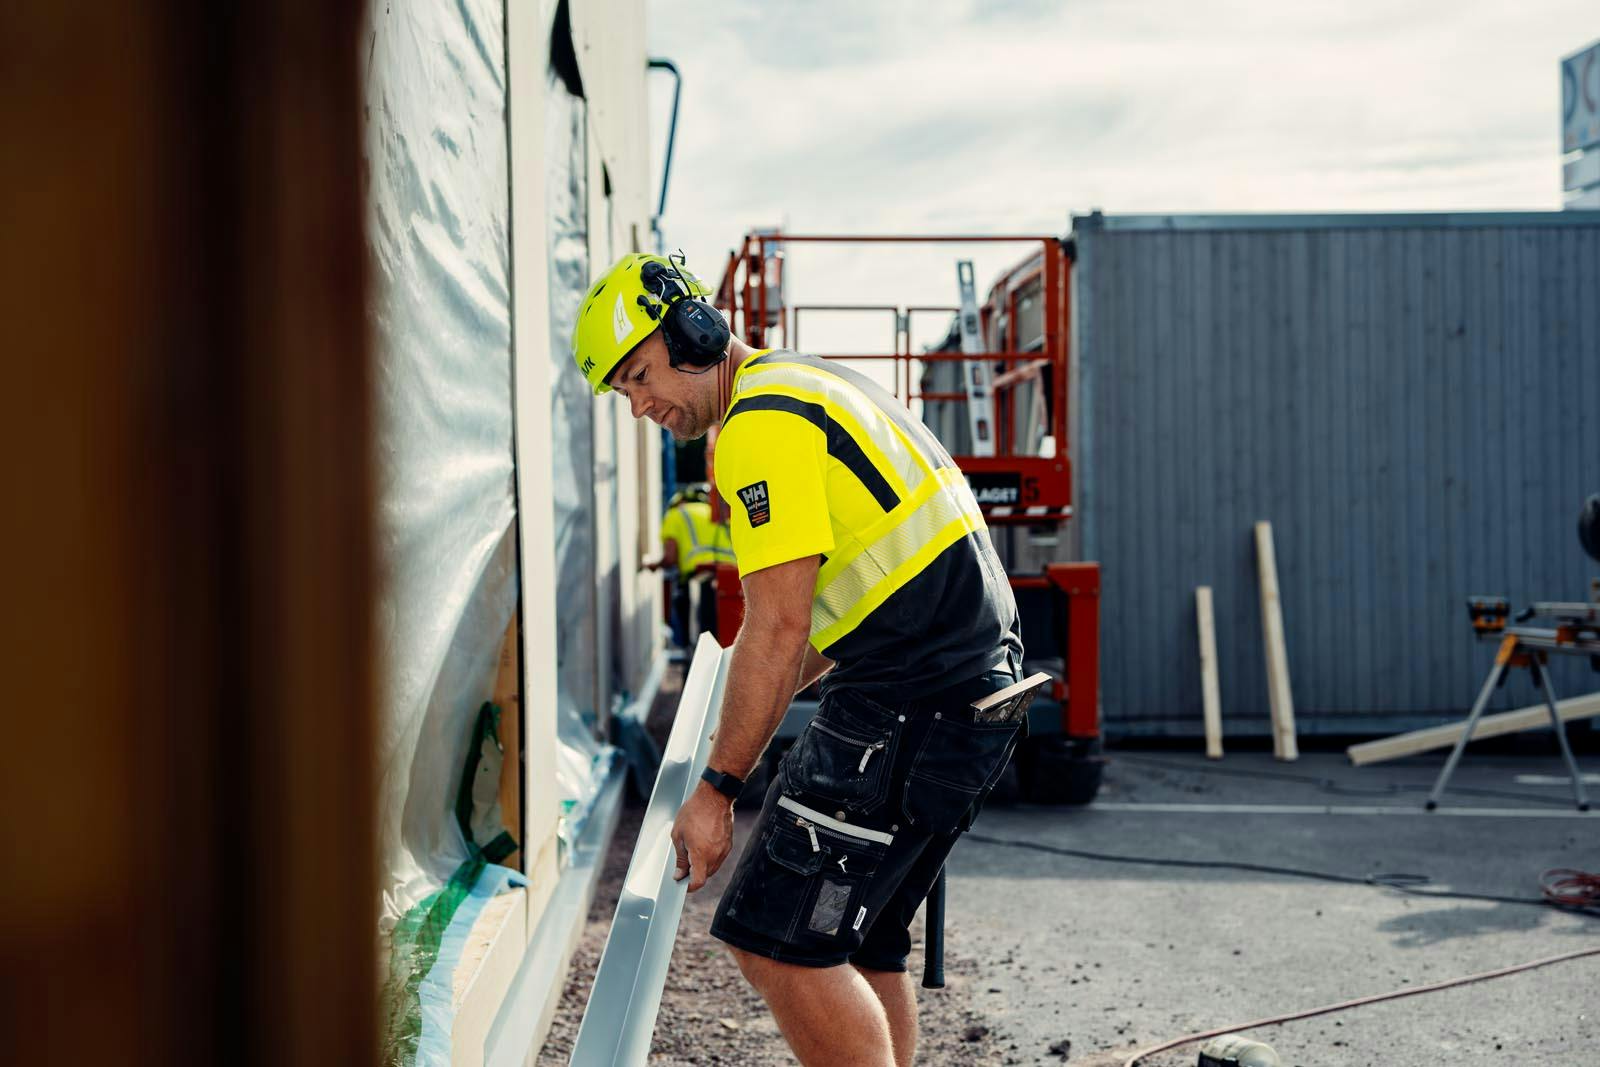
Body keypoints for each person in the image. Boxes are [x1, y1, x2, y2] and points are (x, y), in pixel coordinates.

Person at [572, 252, 1024, 1067]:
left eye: (639, 375)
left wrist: (718, 788)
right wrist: (736, 711)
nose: (639, 405)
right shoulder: (808, 384)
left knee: (776, 940)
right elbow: (817, 627)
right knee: (860, 939)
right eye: (623, 393)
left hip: (908, 693)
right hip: (968, 692)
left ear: (694, 333)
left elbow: (778, 628)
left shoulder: (758, 427)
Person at [658, 483, 734, 646]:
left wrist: (654, 565)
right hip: (731, 574)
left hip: (699, 576)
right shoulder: (714, 512)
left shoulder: (675, 514)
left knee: (701, 637)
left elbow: (670, 557)